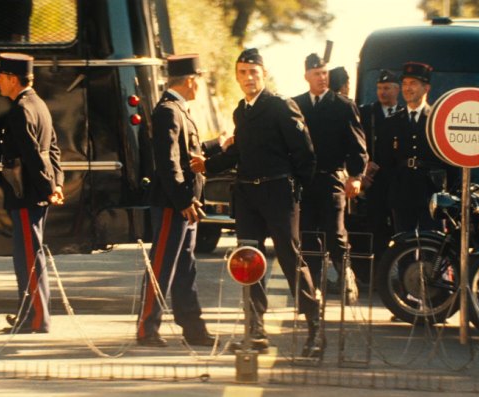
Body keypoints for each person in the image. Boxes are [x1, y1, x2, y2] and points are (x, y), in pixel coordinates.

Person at [190, 48, 323, 358]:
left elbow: (305, 154)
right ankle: (255, 332)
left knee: (291, 259)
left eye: (253, 72)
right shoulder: (242, 112)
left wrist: (295, 190)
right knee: (248, 262)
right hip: (248, 197)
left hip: (278, 195)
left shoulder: (280, 106)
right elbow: (239, 153)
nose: (248, 78)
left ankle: (314, 327)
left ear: (264, 74)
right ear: (237, 77)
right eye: (242, 73)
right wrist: (207, 165)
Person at [135, 54, 215, 348]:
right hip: (173, 203)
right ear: (190, 81)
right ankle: (146, 329)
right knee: (162, 265)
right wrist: (183, 199)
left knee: (185, 269)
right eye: (199, 80)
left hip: (184, 203)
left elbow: (187, 153)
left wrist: (220, 144)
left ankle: (193, 328)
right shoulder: (169, 111)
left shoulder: (178, 110)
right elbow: (168, 164)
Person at [0, 53, 64, 334]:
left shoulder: (20, 109)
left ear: (12, 79)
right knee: (32, 255)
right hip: (40, 190)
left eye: (0, 75)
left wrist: (48, 188)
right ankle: (33, 313)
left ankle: (35, 319)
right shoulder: (39, 104)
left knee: (27, 258)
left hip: (26, 193)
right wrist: (56, 184)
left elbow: (32, 155)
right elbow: (53, 150)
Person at [292, 53, 367, 299]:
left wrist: (356, 175)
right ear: (306, 76)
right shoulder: (295, 105)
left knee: (335, 232)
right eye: (316, 74)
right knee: (307, 234)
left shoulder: (343, 106)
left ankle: (345, 273)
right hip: (304, 182)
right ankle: (313, 284)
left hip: (332, 179)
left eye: (324, 73)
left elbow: (358, 145)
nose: (322, 78)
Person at [380, 62, 457, 234]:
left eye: (413, 84)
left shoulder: (438, 120)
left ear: (426, 87)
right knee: (403, 243)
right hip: (402, 190)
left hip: (430, 190)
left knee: (432, 242)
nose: (407, 89)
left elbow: (450, 161)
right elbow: (385, 159)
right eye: (405, 84)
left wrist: (448, 192)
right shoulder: (392, 121)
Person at [359, 70, 402, 261]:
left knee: (399, 229)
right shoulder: (367, 113)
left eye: (387, 88)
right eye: (379, 88)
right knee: (375, 228)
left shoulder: (404, 114)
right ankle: (375, 272)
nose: (382, 92)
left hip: (396, 181)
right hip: (373, 182)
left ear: (396, 90)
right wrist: (363, 165)